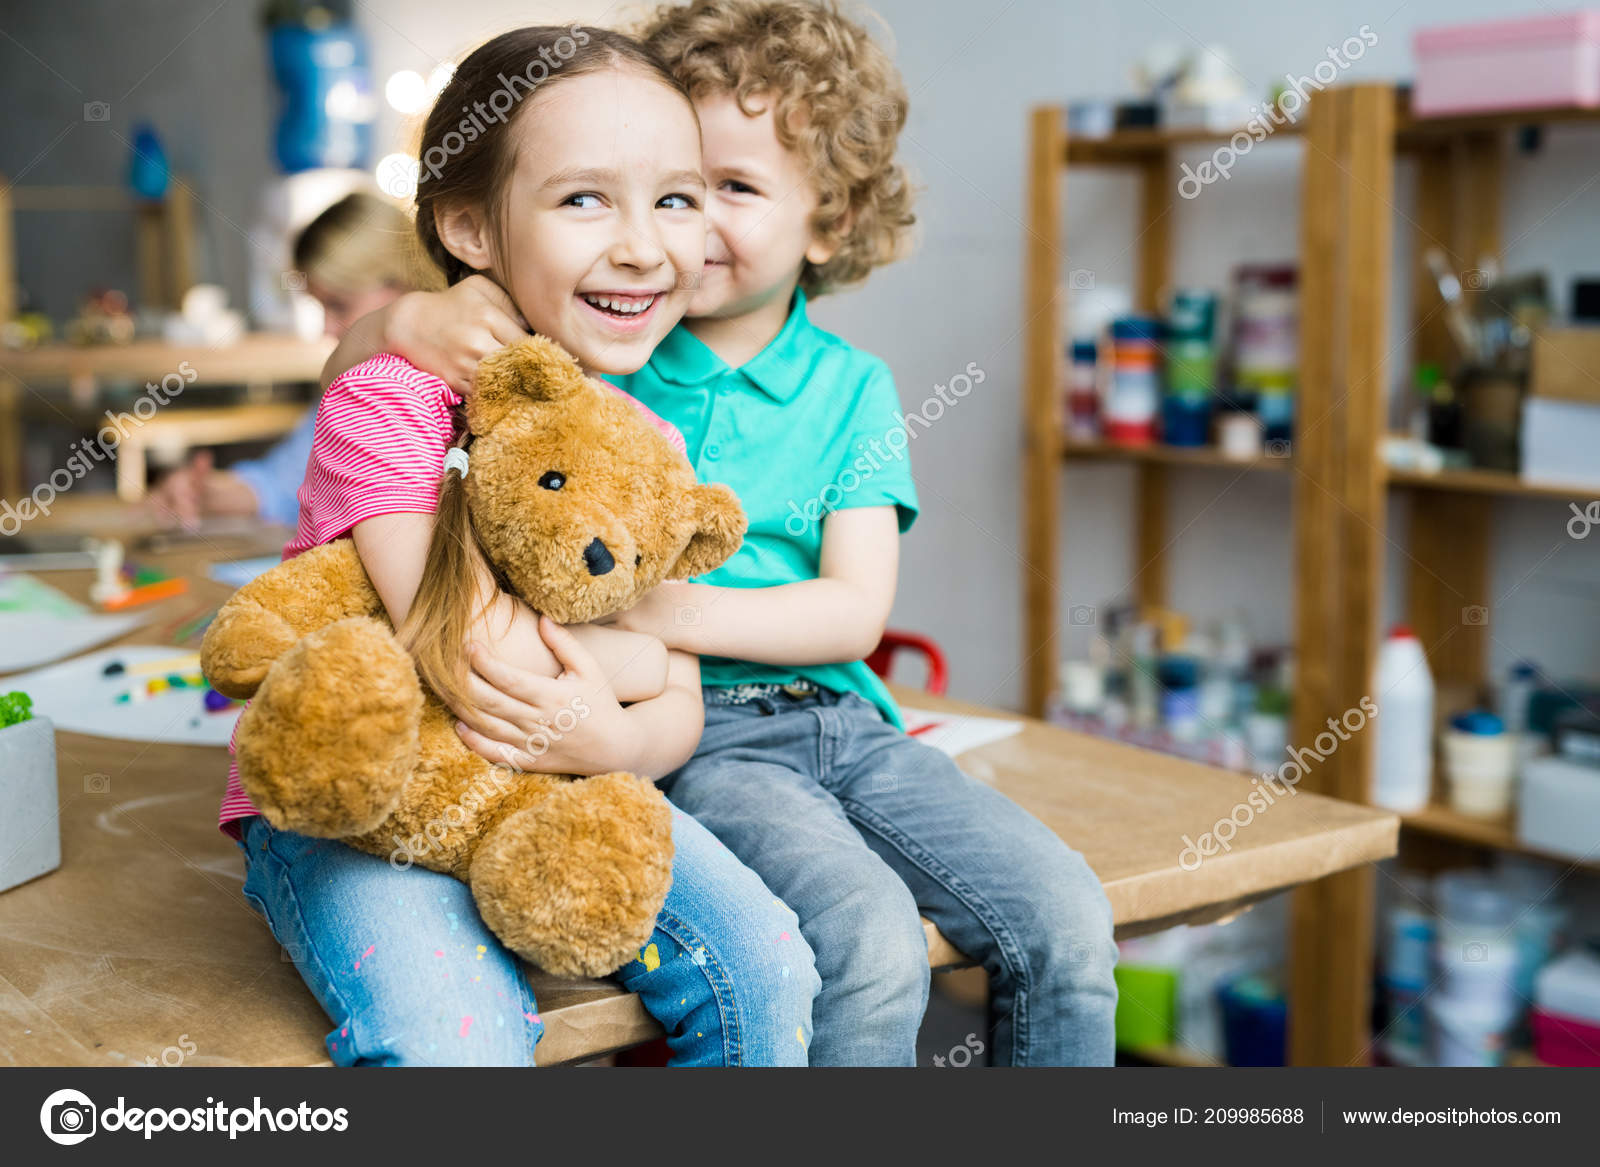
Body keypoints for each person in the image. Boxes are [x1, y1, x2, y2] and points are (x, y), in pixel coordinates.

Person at [326, 0, 1118, 1067]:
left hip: (841, 715)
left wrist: (654, 612)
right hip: (697, 736)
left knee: (1068, 917)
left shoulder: (847, 386)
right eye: (672, 187)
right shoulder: (604, 342)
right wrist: (403, 320)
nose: (672, 234)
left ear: (830, 221)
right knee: (869, 947)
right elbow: (368, 388)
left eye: (717, 191)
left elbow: (853, 614)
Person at [227, 25, 819, 1067]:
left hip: (563, 787)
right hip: (368, 805)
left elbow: (678, 706)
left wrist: (620, 744)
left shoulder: (644, 441)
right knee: (454, 1036)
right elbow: (467, 647)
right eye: (585, 199)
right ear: (468, 227)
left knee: (769, 970)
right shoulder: (390, 398)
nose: (643, 247)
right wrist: (635, 662)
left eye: (675, 200)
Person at [146, 192, 430, 529]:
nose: (326, 329)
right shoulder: (356, 390)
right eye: (321, 307)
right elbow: (285, 481)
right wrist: (208, 494)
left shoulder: (440, 389)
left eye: (339, 305)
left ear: (404, 283)